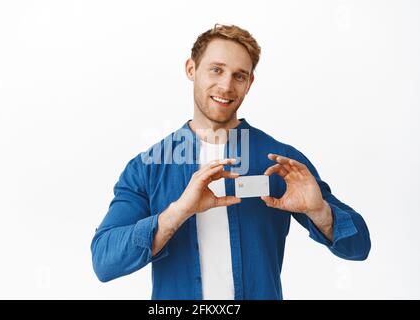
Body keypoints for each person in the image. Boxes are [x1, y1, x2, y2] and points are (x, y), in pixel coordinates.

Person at [90, 23, 371, 300]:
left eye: (239, 76)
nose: (226, 85)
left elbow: (359, 247)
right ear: (191, 69)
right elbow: (104, 261)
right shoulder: (148, 167)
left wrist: (320, 211)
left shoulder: (281, 161)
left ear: (249, 83)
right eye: (216, 69)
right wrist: (177, 212)